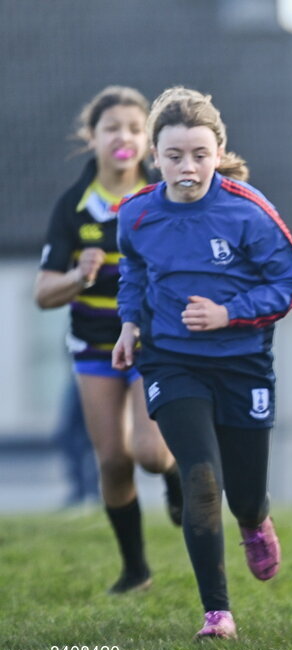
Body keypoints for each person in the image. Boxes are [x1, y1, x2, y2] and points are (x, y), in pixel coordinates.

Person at [112, 86, 292, 640]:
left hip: (243, 364)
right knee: (201, 478)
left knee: (244, 494)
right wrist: (129, 323)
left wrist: (229, 312)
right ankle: (217, 614)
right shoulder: (137, 214)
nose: (187, 167)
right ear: (155, 156)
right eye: (174, 156)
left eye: (200, 154)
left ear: (219, 152)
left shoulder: (248, 210)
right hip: (171, 360)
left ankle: (254, 519)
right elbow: (132, 271)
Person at [35, 86, 183, 594]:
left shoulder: (162, 198)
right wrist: (78, 275)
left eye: (135, 129)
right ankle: (136, 570)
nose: (124, 137)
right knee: (113, 462)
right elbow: (42, 293)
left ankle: (174, 474)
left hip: (151, 341)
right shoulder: (72, 207)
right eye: (112, 127)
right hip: (94, 347)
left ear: (148, 141)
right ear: (92, 137)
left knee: (148, 453)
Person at [54, 376, 99, 507]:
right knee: (66, 434)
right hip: (80, 372)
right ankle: (81, 490)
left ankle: (93, 490)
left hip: (98, 372)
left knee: (98, 436)